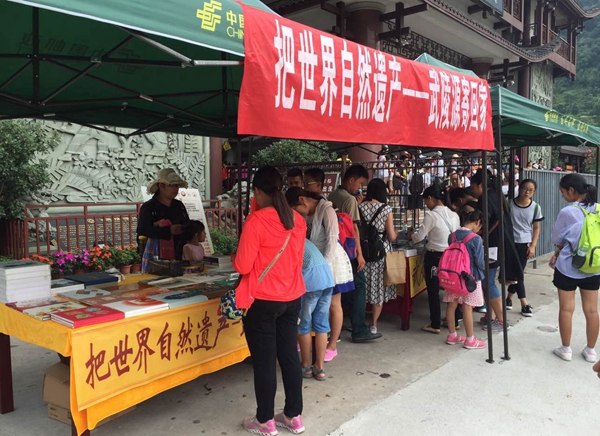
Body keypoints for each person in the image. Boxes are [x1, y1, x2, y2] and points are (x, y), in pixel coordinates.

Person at [233, 166, 307, 435]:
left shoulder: (256, 220)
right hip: (292, 296)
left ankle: (264, 420)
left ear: (257, 191)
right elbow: (297, 260)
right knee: (289, 356)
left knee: (265, 362)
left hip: (263, 300)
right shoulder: (297, 219)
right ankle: (293, 416)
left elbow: (243, 265)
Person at [285, 187, 355, 362]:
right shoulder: (307, 214)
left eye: (295, 209)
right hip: (313, 263)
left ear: (302, 200)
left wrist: (322, 267)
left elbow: (332, 241)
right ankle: (307, 341)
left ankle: (332, 345)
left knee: (333, 305)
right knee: (311, 307)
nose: (296, 213)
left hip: (330, 262)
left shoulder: (327, 211)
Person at [329, 164, 382, 342]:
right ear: (351, 180)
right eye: (359, 183)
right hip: (348, 250)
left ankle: (339, 323)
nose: (360, 187)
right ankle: (359, 329)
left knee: (341, 289)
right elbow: (354, 229)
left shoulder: (333, 195)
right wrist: (359, 254)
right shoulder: (349, 200)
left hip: (335, 248)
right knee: (359, 286)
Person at [550, 173, 600, 363]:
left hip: (568, 266)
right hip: (594, 266)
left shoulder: (568, 212)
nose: (563, 196)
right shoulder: (598, 209)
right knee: (592, 310)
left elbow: (556, 239)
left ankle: (566, 349)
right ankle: (591, 351)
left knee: (566, 308)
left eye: (563, 192)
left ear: (572, 191)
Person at [470, 170, 523, 331]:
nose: (472, 190)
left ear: (480, 185)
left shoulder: (485, 199)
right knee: (488, 280)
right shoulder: (496, 195)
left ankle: (501, 320)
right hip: (499, 243)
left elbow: (482, 222)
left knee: (488, 281)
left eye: (473, 186)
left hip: (491, 245)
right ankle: (490, 316)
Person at [407, 186, 460, 334]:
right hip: (451, 256)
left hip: (435, 257)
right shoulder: (454, 214)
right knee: (451, 289)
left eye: (425, 200)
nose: (426, 204)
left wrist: (411, 236)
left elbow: (419, 237)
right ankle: (454, 321)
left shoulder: (431, 215)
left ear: (430, 198)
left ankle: (435, 323)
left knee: (433, 290)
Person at [358, 179, 398, 333]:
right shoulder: (386, 209)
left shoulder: (359, 207)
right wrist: (397, 233)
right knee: (377, 288)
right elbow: (391, 236)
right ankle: (373, 324)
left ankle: (359, 321)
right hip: (380, 253)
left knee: (362, 288)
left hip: (362, 252)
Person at [444, 210, 487, 349]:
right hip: (470, 279)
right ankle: (470, 339)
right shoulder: (475, 239)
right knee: (467, 307)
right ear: (477, 222)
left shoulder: (452, 236)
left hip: (453, 276)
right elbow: (479, 262)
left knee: (451, 305)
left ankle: (452, 335)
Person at [138, 168, 190, 272]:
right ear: (161, 186)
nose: (175, 189)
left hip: (178, 254)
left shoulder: (179, 205)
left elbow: (186, 224)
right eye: (172, 185)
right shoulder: (148, 207)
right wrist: (168, 230)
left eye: (177, 186)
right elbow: (143, 230)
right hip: (155, 258)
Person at [298, 239, 334, 381]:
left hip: (311, 281)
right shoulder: (304, 239)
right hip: (327, 279)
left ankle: (306, 366)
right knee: (322, 325)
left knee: (303, 325)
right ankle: (319, 368)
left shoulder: (289, 239)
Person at [507, 179, 543, 317]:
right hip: (510, 242)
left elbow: (536, 228)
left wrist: (533, 245)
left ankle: (510, 299)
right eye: (525, 188)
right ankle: (524, 304)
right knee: (517, 273)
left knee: (518, 273)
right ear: (520, 188)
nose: (527, 192)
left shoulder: (535, 207)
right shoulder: (509, 204)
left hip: (525, 243)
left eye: (531, 190)